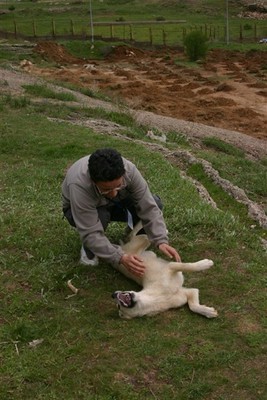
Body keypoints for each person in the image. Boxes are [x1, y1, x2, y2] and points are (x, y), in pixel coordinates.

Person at [62, 148, 180, 277]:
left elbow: (148, 206)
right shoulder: (79, 185)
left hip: (115, 204)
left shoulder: (130, 170)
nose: (113, 193)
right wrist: (120, 257)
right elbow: (90, 232)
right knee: (100, 218)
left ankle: (133, 235)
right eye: (106, 189)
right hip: (80, 212)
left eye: (118, 186)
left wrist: (160, 239)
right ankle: (89, 250)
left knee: (156, 202)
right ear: (93, 181)